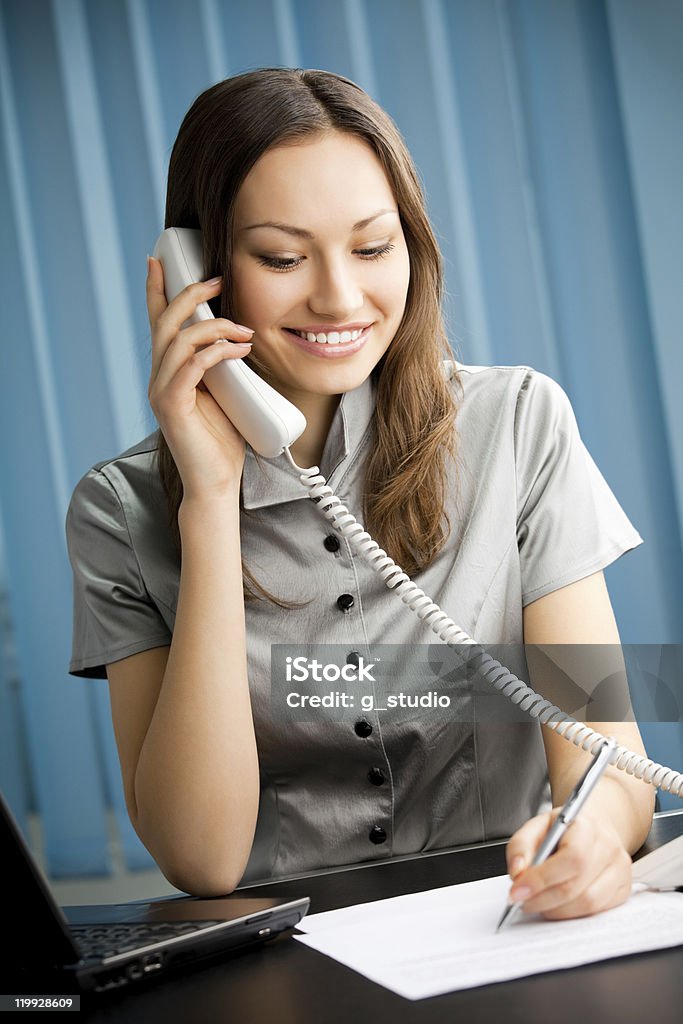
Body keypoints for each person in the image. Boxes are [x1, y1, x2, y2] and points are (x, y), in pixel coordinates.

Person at [66, 68, 654, 915]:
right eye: (281, 256)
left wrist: (591, 837)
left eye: (372, 248)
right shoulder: (118, 510)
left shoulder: (518, 424)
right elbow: (201, 860)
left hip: (511, 930)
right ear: (202, 270)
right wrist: (208, 502)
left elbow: (606, 757)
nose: (339, 296)